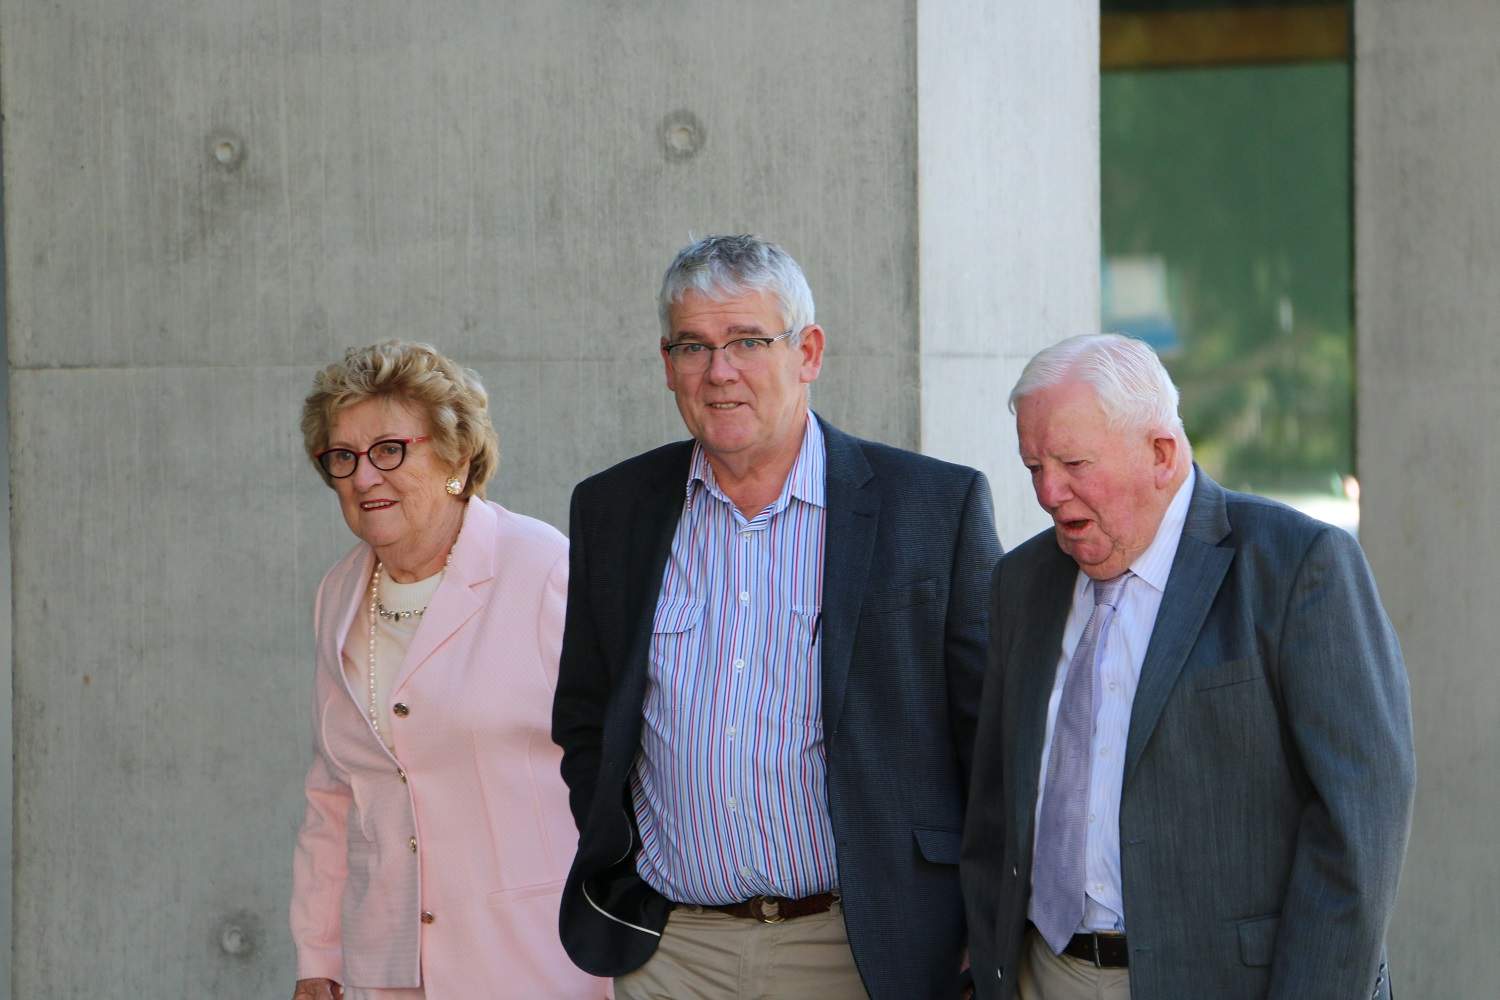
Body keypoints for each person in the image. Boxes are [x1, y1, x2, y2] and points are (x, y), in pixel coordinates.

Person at [551, 234, 1002, 999]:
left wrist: (970, 924)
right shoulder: (612, 509)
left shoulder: (932, 508)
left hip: (859, 949)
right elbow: (588, 718)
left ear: (808, 352)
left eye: (748, 341)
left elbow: (992, 738)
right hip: (674, 953)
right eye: (693, 346)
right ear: (667, 363)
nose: (719, 371)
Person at [961, 333, 1416, 1000]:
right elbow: (994, 803)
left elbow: (1360, 823)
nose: (1049, 492)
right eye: (1034, 467)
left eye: (1074, 463)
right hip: (1044, 973)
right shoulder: (1021, 581)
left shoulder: (1297, 566)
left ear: (1161, 453)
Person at [289, 341, 607, 1000]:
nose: (363, 477)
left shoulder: (543, 569)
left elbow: (619, 769)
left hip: (533, 962)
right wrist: (318, 958)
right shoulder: (338, 595)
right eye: (343, 457)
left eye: (389, 450)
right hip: (386, 969)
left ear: (456, 457)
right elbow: (334, 794)